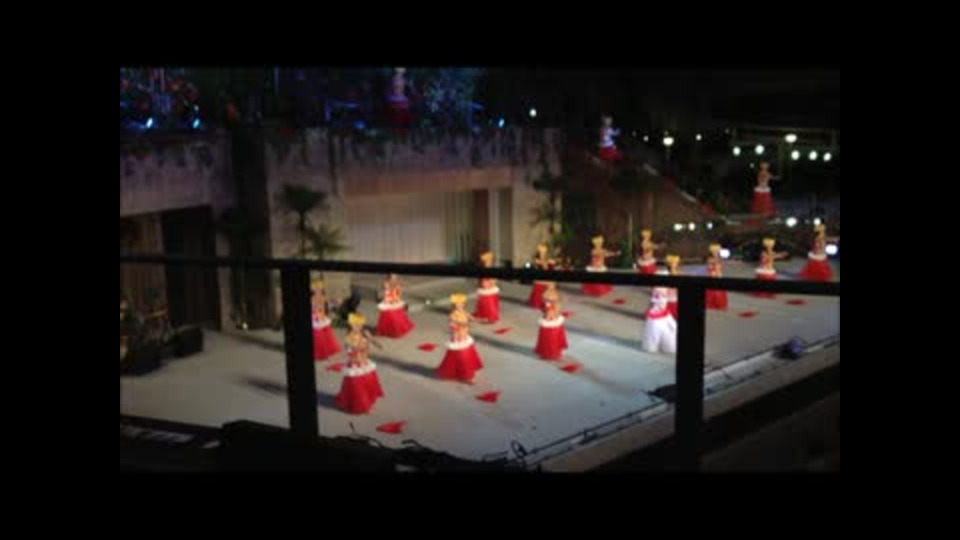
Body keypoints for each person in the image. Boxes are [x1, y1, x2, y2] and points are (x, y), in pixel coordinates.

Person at [335, 313, 385, 414]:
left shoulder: (364, 333)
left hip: (364, 361)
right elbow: (351, 350)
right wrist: (363, 345)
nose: (358, 327)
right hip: (355, 363)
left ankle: (367, 401)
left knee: (367, 383)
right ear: (351, 325)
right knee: (358, 387)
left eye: (360, 325)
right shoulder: (349, 337)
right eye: (356, 325)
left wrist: (376, 343)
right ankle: (363, 406)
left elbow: (372, 341)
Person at [436, 293, 484, 383]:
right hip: (458, 337)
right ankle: (467, 376)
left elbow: (469, 316)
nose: (460, 306)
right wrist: (462, 324)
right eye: (458, 304)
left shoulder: (463, 311)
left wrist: (475, 319)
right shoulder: (453, 315)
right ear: (454, 306)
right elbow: (453, 325)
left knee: (467, 355)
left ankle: (465, 372)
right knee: (463, 357)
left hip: (464, 335)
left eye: (461, 304)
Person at [534, 284, 569, 360]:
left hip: (550, 326)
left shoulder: (550, 308)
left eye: (544, 299)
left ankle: (549, 353)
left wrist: (545, 317)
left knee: (549, 340)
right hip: (556, 325)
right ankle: (555, 351)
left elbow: (548, 316)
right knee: (554, 340)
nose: (543, 300)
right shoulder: (555, 305)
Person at [375, 273, 415, 338]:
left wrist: (397, 298)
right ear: (389, 278)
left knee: (399, 317)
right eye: (392, 278)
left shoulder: (398, 285)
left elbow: (399, 295)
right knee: (389, 318)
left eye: (395, 278)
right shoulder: (385, 284)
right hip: (387, 303)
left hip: (395, 302)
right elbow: (384, 292)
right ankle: (388, 331)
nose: (394, 280)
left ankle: (396, 331)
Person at [310, 280, 342, 361]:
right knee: (319, 338)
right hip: (315, 319)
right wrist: (315, 310)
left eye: (320, 290)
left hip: (323, 318)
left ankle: (327, 353)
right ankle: (320, 354)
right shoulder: (311, 299)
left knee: (327, 337)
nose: (319, 292)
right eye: (317, 290)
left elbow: (328, 306)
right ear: (313, 291)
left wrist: (336, 303)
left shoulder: (323, 298)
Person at [473, 251, 500, 323]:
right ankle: (488, 316)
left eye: (490, 262)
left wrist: (493, 281)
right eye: (487, 262)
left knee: (492, 302)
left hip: (491, 286)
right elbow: (483, 281)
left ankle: (492, 315)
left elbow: (494, 278)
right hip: (486, 286)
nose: (489, 263)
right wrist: (488, 282)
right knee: (488, 303)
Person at [705, 244, 729, 310]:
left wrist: (719, 270)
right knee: (714, 290)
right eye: (714, 252)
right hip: (713, 275)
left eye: (717, 252)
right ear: (711, 252)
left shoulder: (719, 258)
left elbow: (720, 267)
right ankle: (713, 304)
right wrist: (713, 270)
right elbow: (709, 268)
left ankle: (720, 304)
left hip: (719, 274)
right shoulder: (710, 259)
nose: (715, 253)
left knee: (719, 290)